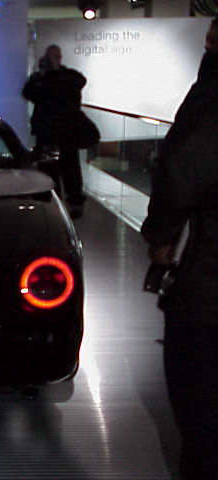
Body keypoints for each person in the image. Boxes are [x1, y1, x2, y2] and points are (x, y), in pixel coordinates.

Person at [141, 18, 218, 480]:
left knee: (199, 392)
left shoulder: (210, 99)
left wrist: (161, 238)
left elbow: (185, 169)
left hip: (208, 279)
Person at [22, 44, 87, 218]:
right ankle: (52, 200)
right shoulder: (41, 79)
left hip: (66, 132)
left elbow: (79, 82)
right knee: (50, 168)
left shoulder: (68, 77)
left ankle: (72, 202)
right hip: (48, 132)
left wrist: (53, 72)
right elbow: (28, 93)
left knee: (70, 169)